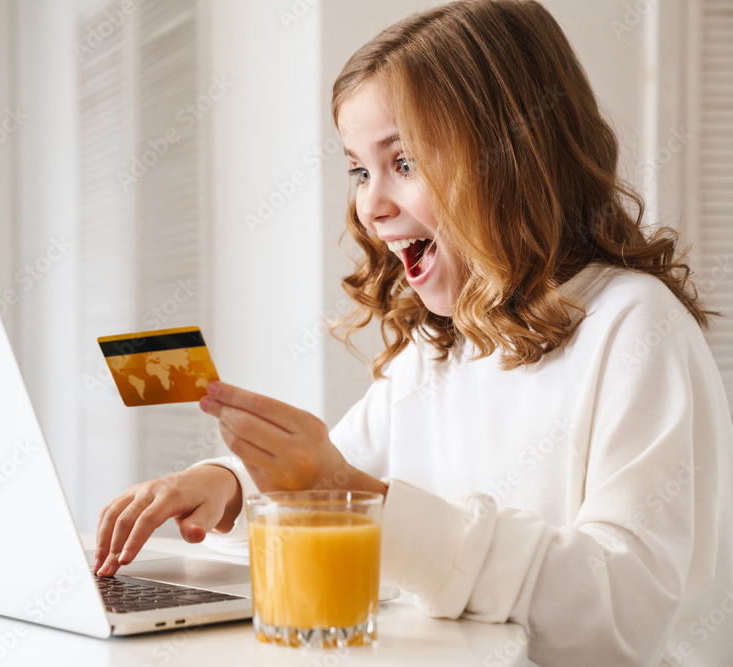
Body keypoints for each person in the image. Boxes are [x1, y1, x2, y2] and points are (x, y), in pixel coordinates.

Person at [95, 1, 733, 664]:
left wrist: (352, 492)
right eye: (360, 170)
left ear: (511, 158)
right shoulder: (438, 349)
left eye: (404, 163)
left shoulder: (632, 325)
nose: (369, 205)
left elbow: (623, 618)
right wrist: (223, 485)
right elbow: (330, 475)